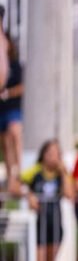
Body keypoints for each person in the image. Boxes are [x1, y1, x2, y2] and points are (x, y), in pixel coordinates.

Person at [20, 139, 74, 261]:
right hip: (38, 226)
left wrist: (63, 172)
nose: (53, 157)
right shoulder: (35, 171)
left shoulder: (61, 174)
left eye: (56, 154)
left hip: (55, 226)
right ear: (43, 155)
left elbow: (70, 194)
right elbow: (16, 184)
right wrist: (28, 194)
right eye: (50, 153)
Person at [0, 38, 23, 183]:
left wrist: (7, 93)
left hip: (12, 108)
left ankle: (19, 171)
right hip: (1, 111)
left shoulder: (15, 65)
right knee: (6, 143)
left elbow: (22, 87)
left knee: (15, 133)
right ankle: (11, 178)